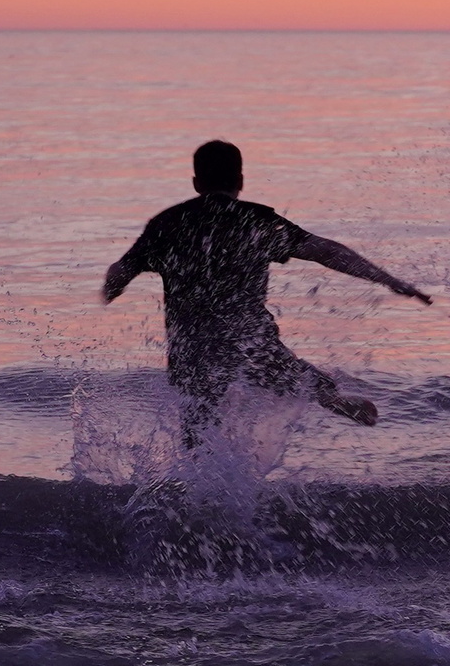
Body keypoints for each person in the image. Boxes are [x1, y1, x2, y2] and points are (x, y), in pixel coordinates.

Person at [101, 140, 432, 447]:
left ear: (196, 183)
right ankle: (328, 396)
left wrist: (110, 291)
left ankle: (200, 495)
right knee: (290, 377)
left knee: (198, 428)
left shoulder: (167, 224)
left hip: (192, 343)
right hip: (247, 336)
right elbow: (324, 251)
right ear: (240, 180)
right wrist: (387, 279)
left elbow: (120, 270)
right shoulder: (255, 220)